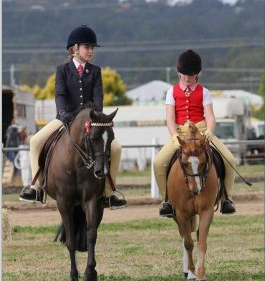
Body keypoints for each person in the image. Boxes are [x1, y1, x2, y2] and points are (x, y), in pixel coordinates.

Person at [20, 25, 127, 209]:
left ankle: (110, 193)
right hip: (64, 118)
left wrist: (95, 116)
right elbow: (59, 94)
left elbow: (98, 98)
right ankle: (36, 187)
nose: (91, 51)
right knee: (35, 141)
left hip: (91, 122)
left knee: (116, 148)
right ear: (75, 48)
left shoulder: (95, 71)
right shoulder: (62, 70)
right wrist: (62, 113)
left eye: (92, 48)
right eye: (88, 47)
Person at [153, 49, 236, 217]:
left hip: (202, 131)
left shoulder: (204, 92)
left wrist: (209, 134)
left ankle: (226, 199)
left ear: (198, 73)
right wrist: (175, 137)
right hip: (181, 133)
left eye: (191, 75)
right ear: (178, 72)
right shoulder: (171, 92)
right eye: (184, 74)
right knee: (158, 162)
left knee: (230, 159)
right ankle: (166, 200)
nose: (187, 78)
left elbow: (211, 117)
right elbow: (169, 118)